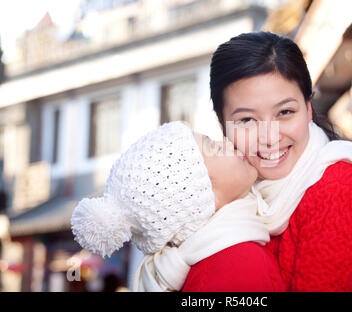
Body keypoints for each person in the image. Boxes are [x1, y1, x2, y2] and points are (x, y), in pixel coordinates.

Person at [183, 31, 352, 291]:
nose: (269, 137)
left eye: (285, 112)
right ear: (223, 125)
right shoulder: (239, 200)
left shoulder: (338, 186)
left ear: (308, 109)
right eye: (246, 120)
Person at [71, 121, 286, 292]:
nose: (230, 143)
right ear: (205, 197)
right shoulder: (239, 265)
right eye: (216, 147)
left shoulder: (221, 257)